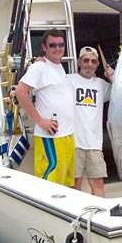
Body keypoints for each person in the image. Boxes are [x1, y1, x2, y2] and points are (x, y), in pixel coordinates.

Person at [15, 28, 75, 187]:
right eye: (52, 45)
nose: (57, 48)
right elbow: (21, 91)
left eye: (61, 44)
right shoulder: (39, 67)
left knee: (64, 185)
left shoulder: (59, 67)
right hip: (51, 138)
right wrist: (40, 121)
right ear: (44, 47)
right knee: (49, 186)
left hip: (67, 136)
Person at [67, 46, 113, 197]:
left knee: (98, 184)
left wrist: (113, 76)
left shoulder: (102, 84)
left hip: (94, 143)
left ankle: (100, 217)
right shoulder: (67, 80)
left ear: (98, 64)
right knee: (75, 184)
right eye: (86, 60)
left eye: (93, 61)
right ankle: (74, 217)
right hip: (73, 142)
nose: (89, 64)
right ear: (79, 62)